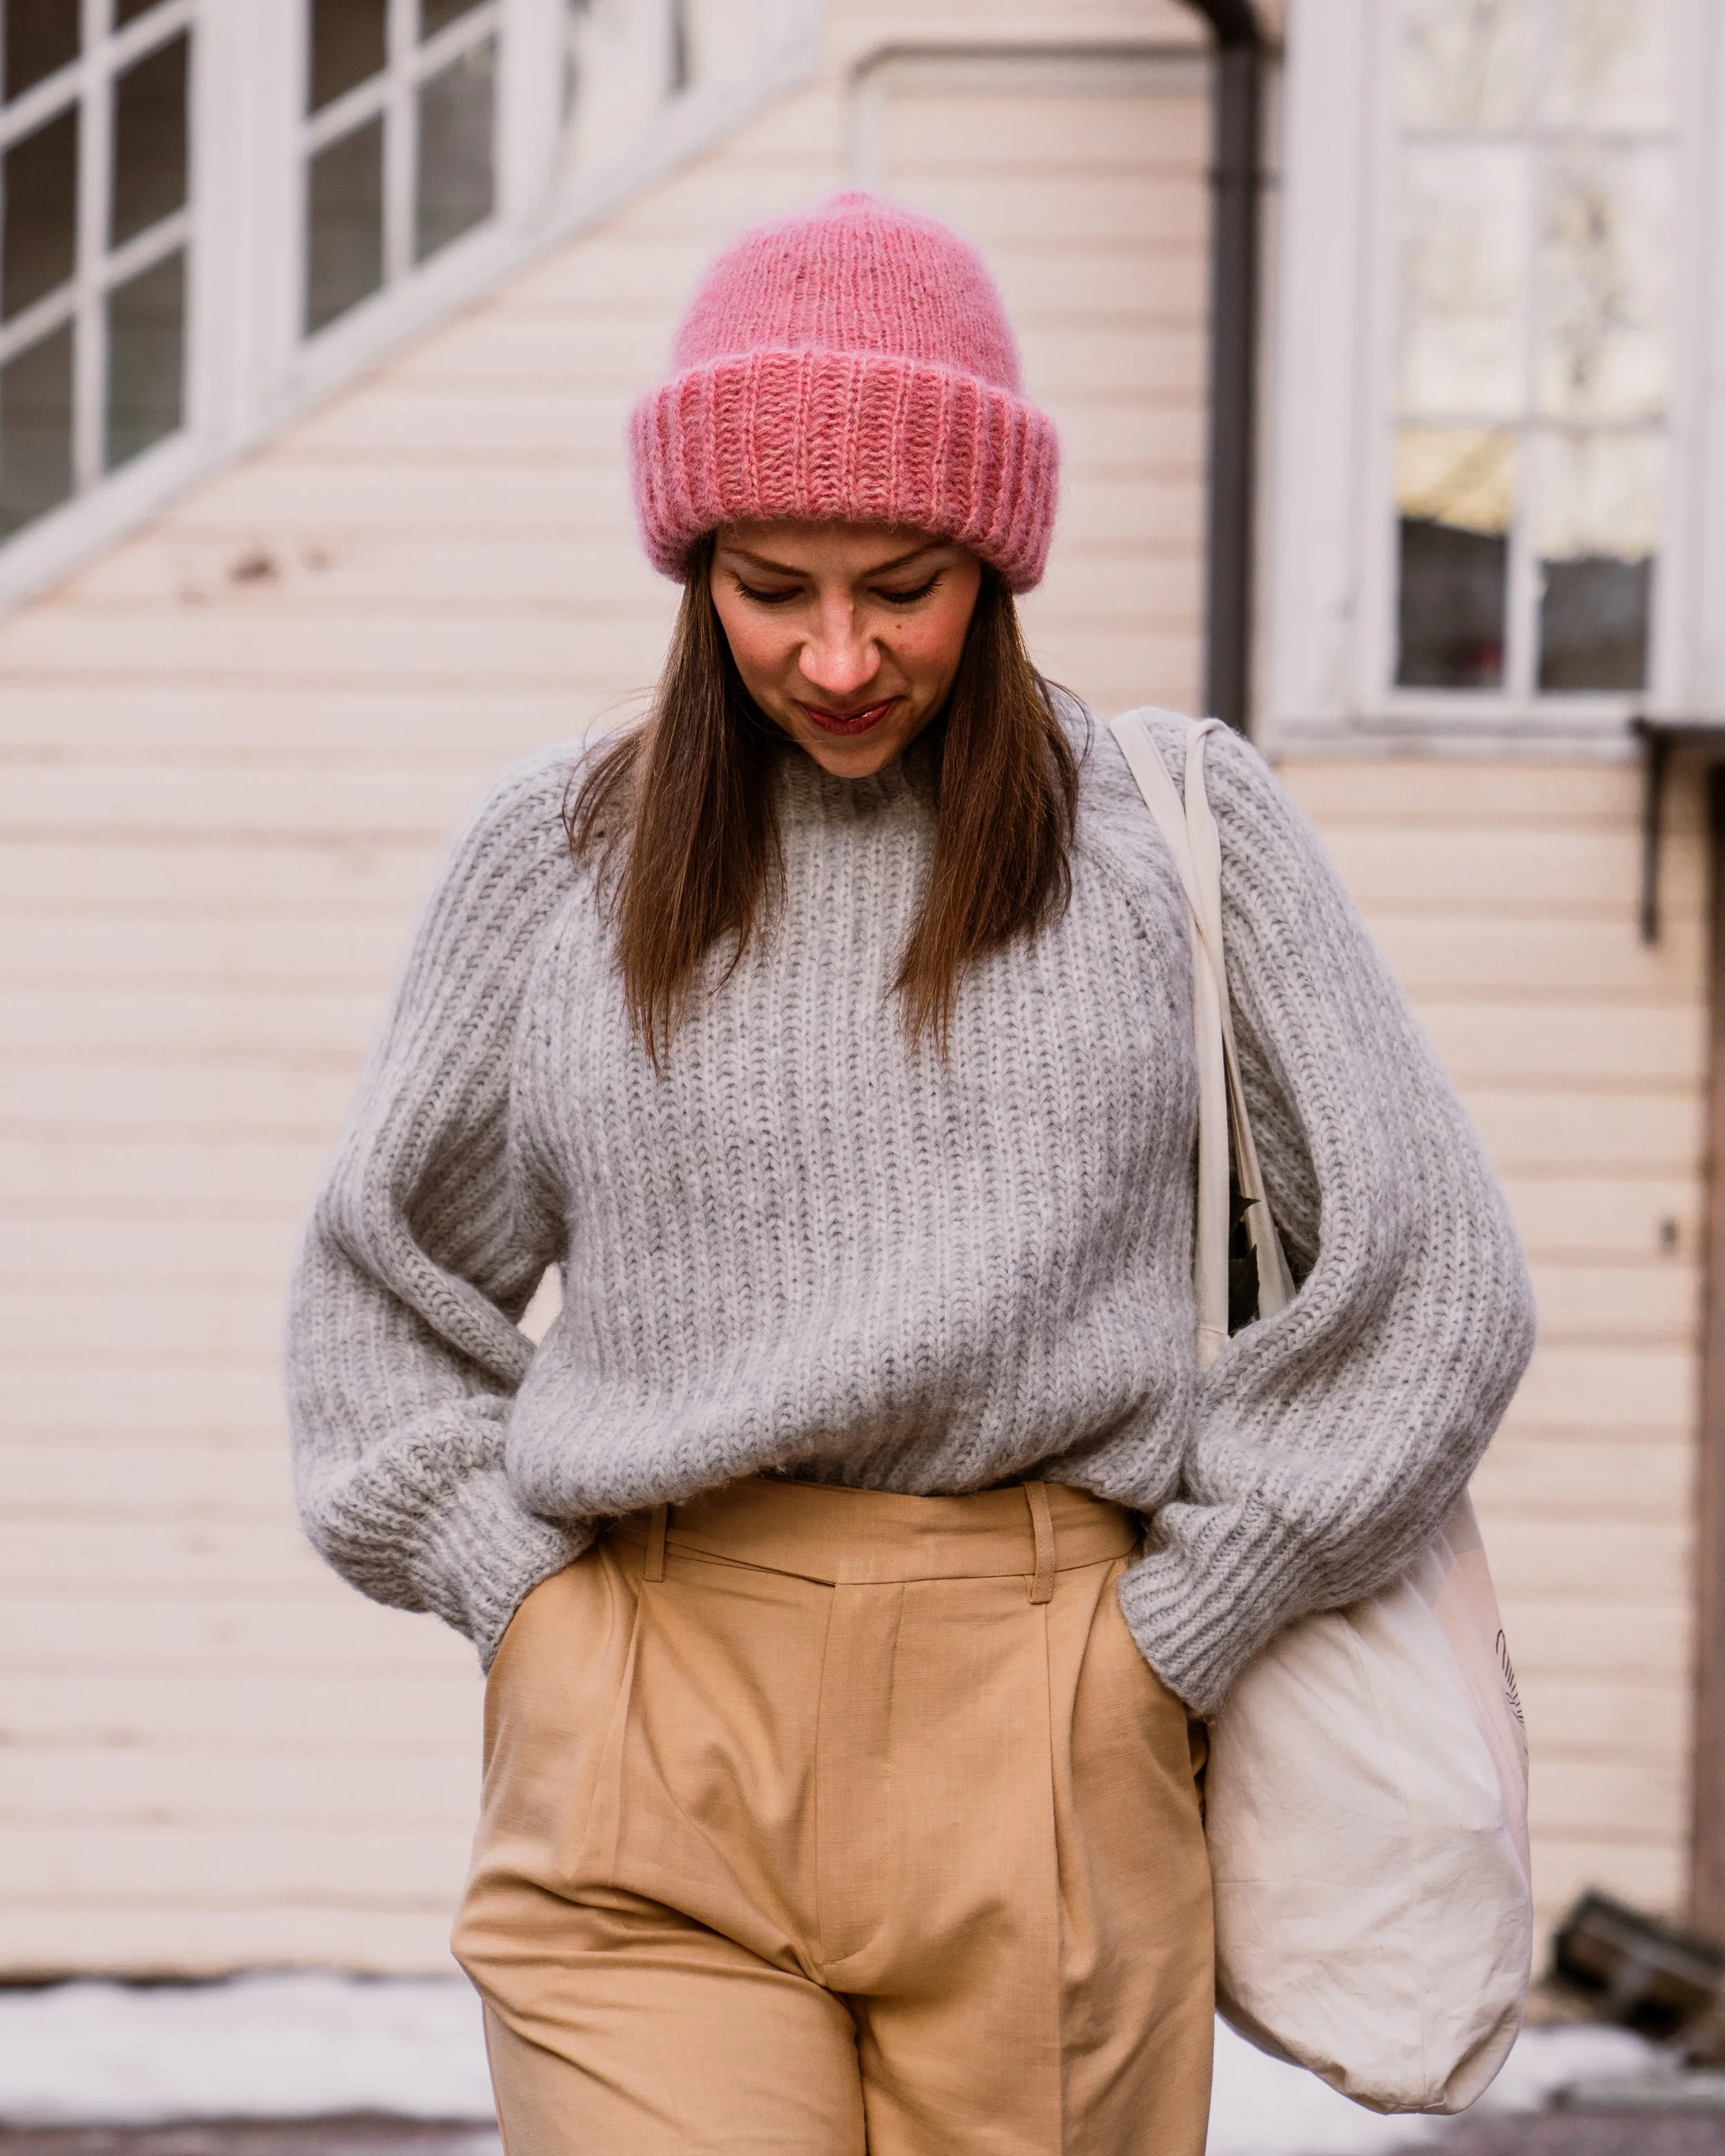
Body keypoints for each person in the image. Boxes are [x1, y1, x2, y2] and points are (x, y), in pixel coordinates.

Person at [286, 192, 1535, 2155]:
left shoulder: (1172, 837)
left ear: (997, 558)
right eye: (769, 585)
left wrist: (1181, 1628)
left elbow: (1436, 1281)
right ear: (692, 567)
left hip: (1052, 1721)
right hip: (642, 1719)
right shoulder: (556, 858)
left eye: (905, 582)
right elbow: (379, 1299)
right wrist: (523, 1605)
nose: (839, 652)